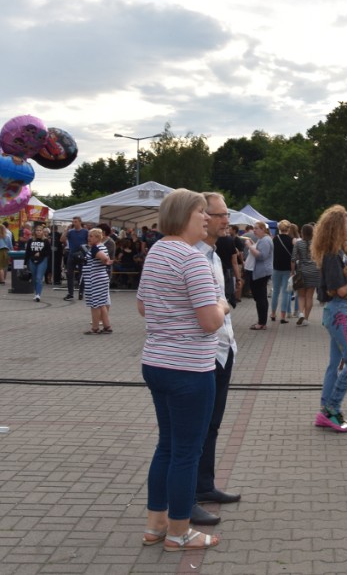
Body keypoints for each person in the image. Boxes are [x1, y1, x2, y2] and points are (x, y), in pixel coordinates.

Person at [138, 189, 224, 552]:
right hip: (190, 368)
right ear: (183, 216)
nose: (206, 218)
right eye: (201, 213)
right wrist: (223, 305)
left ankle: (155, 524)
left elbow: (142, 306)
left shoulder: (156, 252)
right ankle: (179, 532)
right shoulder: (192, 260)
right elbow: (209, 322)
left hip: (156, 362)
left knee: (168, 447)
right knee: (187, 452)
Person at [189, 193, 242, 526]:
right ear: (202, 216)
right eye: (221, 214)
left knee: (211, 425)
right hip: (202, 353)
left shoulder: (213, 252)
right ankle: (188, 495)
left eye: (227, 214)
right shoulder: (191, 255)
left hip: (223, 349)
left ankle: (204, 485)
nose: (227, 220)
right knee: (195, 429)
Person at [311, 205, 347, 432]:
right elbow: (339, 290)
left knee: (335, 364)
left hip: (340, 313)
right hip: (339, 313)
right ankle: (331, 408)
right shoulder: (332, 255)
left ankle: (326, 410)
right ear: (336, 228)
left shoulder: (339, 252)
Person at [82, 228, 113, 334]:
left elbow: (104, 258)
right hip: (100, 279)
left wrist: (106, 261)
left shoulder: (96, 248)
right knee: (102, 304)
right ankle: (107, 326)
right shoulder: (101, 247)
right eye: (89, 236)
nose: (88, 238)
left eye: (91, 236)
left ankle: (95, 328)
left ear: (97, 237)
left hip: (95, 280)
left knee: (95, 305)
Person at [244, 221, 273, 329]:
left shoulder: (265, 240)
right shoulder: (262, 239)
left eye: (256, 228)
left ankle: (261, 323)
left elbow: (261, 256)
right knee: (260, 297)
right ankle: (262, 322)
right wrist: (252, 244)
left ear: (263, 229)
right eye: (254, 228)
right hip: (257, 272)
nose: (254, 230)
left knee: (260, 297)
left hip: (260, 273)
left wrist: (250, 247)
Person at [291, 223, 319, 326]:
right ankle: (306, 319)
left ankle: (301, 313)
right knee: (309, 297)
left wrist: (292, 272)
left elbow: (293, 259)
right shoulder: (316, 244)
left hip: (302, 271)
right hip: (314, 271)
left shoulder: (298, 244)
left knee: (301, 296)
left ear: (302, 233)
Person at [270, 220, 294, 324]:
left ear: (279, 229)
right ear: (289, 229)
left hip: (276, 267)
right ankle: (283, 316)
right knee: (285, 292)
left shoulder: (274, 239)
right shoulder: (292, 240)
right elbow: (293, 257)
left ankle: (273, 314)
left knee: (275, 292)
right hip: (287, 269)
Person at [61, 217, 89, 301]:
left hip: (82, 254)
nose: (74, 223)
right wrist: (66, 230)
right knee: (70, 274)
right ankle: (70, 293)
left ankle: (81, 293)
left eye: (76, 222)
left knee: (82, 274)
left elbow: (89, 242)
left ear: (80, 222)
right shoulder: (71, 232)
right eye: (73, 222)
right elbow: (62, 239)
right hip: (72, 254)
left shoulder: (85, 232)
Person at [26, 224, 51, 302]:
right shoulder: (31, 240)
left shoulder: (46, 241)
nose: (39, 232)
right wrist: (25, 263)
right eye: (37, 230)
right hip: (32, 260)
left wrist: (40, 253)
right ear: (35, 231)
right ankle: (36, 292)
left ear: (42, 232)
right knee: (34, 277)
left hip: (42, 260)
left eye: (40, 230)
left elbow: (48, 252)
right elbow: (27, 252)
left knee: (39, 278)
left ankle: (38, 295)